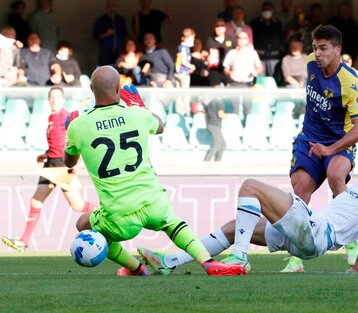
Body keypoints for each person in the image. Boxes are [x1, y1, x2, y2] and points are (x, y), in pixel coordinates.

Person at [138, 137, 358, 275]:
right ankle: (170, 263)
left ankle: (240, 258)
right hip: (308, 232)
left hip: (316, 232)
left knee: (250, 187)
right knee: (233, 228)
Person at [63, 66, 247, 277]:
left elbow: (69, 162)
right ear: (118, 88)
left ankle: (136, 268)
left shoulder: (79, 125)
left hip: (118, 216)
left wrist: (70, 133)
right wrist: (141, 105)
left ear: (91, 89)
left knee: (83, 224)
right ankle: (208, 262)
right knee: (173, 223)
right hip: (154, 203)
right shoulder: (137, 114)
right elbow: (160, 127)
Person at [282, 25, 358, 272]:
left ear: (337, 50)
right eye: (315, 48)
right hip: (309, 137)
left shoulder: (350, 82)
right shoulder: (310, 63)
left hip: (338, 141)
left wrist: (331, 149)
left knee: (335, 176)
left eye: (323, 48)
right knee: (300, 190)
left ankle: (349, 241)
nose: (317, 54)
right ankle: (297, 257)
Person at [2, 87, 97, 252]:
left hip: (61, 165)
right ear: (48, 100)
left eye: (57, 97)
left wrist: (80, 159)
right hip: (51, 163)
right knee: (36, 201)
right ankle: (24, 241)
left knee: (77, 205)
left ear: (63, 99)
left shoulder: (66, 116)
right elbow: (57, 142)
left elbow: (77, 138)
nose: (54, 100)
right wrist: (45, 155)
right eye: (51, 97)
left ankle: (105, 214)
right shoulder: (52, 117)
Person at [223, 31, 263, 116]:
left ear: (247, 40)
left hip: (248, 84)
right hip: (234, 84)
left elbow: (260, 67)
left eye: (244, 38)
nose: (241, 40)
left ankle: (247, 127)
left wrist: (256, 71)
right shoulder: (231, 53)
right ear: (236, 39)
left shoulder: (252, 53)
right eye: (239, 38)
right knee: (234, 109)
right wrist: (229, 72)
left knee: (248, 109)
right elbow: (225, 68)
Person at [249, 1, 283, 76]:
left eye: (269, 9)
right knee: (260, 79)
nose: (266, 11)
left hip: (274, 56)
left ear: (273, 11)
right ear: (261, 11)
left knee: (274, 79)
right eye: (264, 9)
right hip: (259, 56)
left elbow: (281, 38)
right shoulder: (254, 23)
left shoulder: (278, 23)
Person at [92, 0, 128, 66]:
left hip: (119, 52)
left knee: (119, 72)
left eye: (113, 5)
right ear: (106, 7)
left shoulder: (120, 19)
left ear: (116, 7)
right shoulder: (100, 20)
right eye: (109, 5)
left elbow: (125, 35)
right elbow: (95, 36)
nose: (111, 7)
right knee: (105, 72)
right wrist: (106, 34)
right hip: (105, 54)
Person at [205, 18, 236, 87]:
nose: (219, 28)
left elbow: (237, 51)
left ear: (225, 28)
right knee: (216, 93)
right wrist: (207, 58)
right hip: (215, 71)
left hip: (228, 70)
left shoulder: (231, 39)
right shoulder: (210, 40)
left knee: (230, 92)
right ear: (214, 28)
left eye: (221, 26)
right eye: (217, 26)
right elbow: (204, 53)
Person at [174, 28, 196, 116]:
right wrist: (191, 66)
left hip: (180, 72)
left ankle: (179, 112)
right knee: (185, 94)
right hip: (183, 74)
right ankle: (186, 112)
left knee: (179, 94)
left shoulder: (181, 47)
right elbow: (183, 60)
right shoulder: (184, 48)